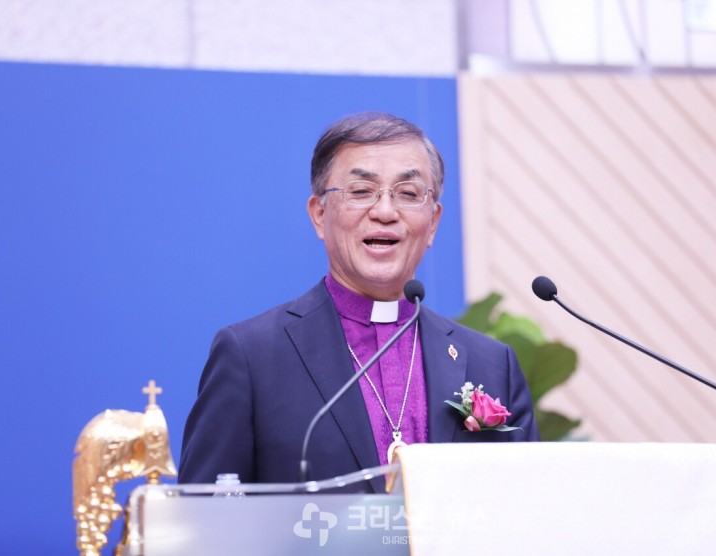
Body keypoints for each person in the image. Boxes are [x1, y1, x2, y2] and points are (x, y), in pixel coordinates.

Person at [178, 112, 539, 492]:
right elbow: (204, 512)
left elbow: (532, 507)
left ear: (433, 223)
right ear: (319, 215)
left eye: (408, 193)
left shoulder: (491, 364)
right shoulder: (253, 356)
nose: (385, 212)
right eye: (361, 191)